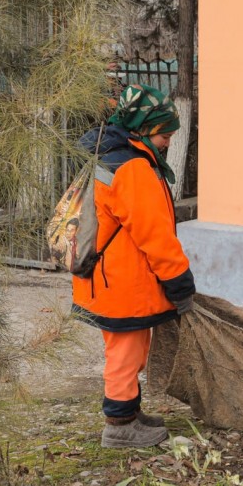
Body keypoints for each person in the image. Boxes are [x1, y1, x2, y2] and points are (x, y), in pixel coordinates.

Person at [72, 84, 196, 449]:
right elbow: (154, 235)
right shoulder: (132, 169)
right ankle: (120, 425)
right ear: (142, 129)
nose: (168, 142)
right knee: (125, 353)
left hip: (108, 278)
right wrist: (179, 282)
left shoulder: (109, 154)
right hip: (121, 282)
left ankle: (129, 410)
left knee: (130, 349)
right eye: (164, 134)